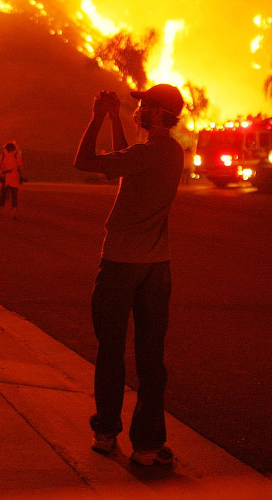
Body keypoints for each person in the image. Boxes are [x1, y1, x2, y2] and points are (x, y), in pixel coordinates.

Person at [73, 84, 185, 467]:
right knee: (152, 358)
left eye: (143, 107)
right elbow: (125, 161)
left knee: (110, 350)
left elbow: (85, 162)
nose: (139, 110)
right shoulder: (169, 151)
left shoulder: (146, 153)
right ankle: (148, 446)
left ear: (156, 115)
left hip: (121, 263)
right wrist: (115, 119)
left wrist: (95, 117)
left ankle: (105, 433)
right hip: (157, 266)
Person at [0, 141, 23, 219]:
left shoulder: (3, 156)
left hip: (6, 177)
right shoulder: (16, 156)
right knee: (14, 196)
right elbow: (20, 166)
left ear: (6, 149)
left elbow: (0, 167)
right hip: (14, 177)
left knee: (3, 195)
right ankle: (14, 213)